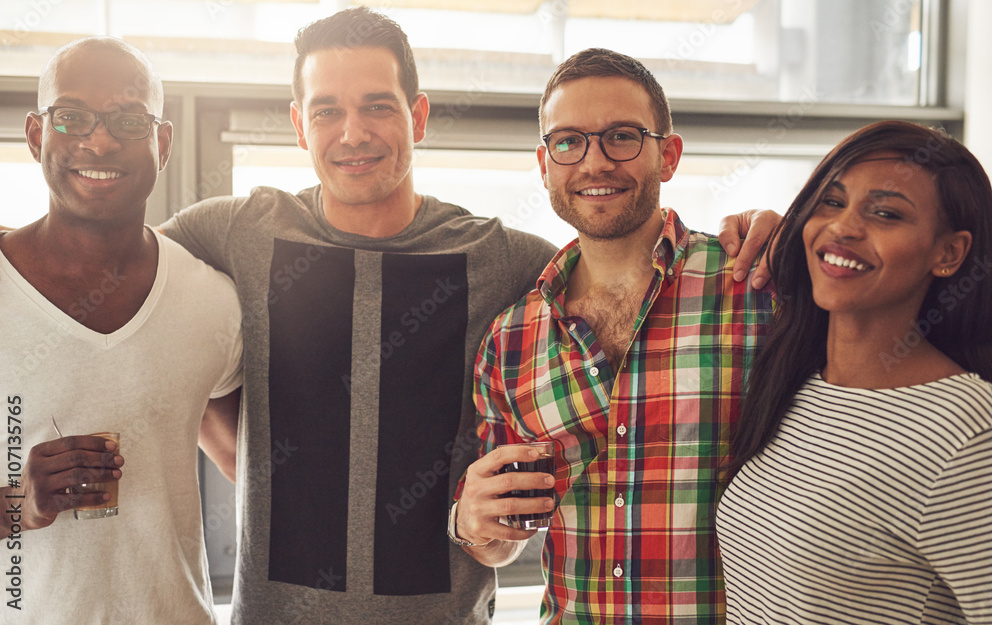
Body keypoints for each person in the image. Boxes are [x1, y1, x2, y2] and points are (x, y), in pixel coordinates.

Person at [159, 9, 776, 624]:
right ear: (299, 124)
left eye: (377, 105)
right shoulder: (236, 231)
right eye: (326, 110)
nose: (352, 133)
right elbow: (127, 307)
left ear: (418, 116)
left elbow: (621, 260)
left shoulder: (511, 266)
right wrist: (246, 459)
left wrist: (775, 239)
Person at [452, 48, 776, 624]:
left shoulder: (755, 289)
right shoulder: (510, 341)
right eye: (569, 141)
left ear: (668, 155)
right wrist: (473, 524)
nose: (595, 162)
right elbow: (504, 542)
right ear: (545, 163)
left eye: (622, 136)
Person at [0, 37, 243, 624]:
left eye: (129, 120)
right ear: (36, 135)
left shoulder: (213, 299)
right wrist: (20, 504)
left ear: (162, 144)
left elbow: (251, 466)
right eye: (72, 116)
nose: (99, 140)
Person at [716, 120, 992, 623]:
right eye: (832, 202)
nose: (844, 227)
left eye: (885, 213)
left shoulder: (965, 431)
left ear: (948, 253)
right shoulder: (795, 381)